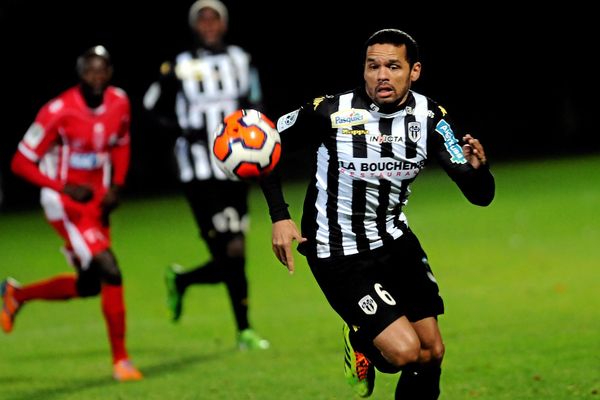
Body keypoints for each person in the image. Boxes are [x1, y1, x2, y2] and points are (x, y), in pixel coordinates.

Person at [260, 29, 495, 399]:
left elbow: (480, 196)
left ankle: (369, 343)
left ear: (413, 71)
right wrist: (280, 216)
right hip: (337, 250)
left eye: (392, 66)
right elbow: (266, 143)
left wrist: (479, 172)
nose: (381, 75)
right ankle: (361, 342)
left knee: (432, 352)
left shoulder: (430, 117)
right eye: (373, 66)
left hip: (394, 241)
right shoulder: (330, 111)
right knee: (403, 352)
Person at [1, 45, 143, 382]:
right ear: (80, 73)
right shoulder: (58, 111)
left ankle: (15, 295)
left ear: (109, 73)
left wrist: (117, 187)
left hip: (97, 204)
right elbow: (20, 162)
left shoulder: (119, 101)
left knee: (90, 284)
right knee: (110, 269)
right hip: (64, 205)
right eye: (89, 70)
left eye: (102, 70)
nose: (96, 77)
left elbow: (121, 142)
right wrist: (62, 186)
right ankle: (121, 361)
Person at [143, 0, 269, 350]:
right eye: (203, 20)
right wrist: (183, 130)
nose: (209, 25)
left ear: (224, 24)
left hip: (234, 169)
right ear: (195, 26)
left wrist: (254, 141)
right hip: (197, 172)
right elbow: (151, 108)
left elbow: (256, 103)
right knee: (230, 252)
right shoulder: (179, 66)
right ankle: (244, 330)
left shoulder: (241, 61)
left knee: (234, 253)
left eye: (215, 19)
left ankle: (185, 283)